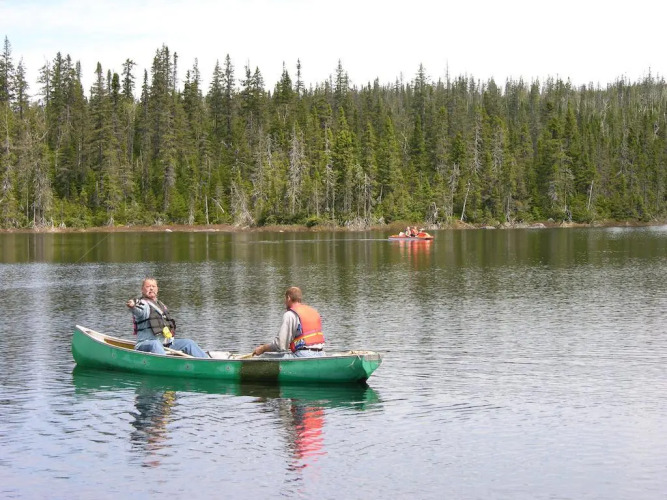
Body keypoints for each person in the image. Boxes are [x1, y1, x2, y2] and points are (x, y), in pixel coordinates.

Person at [126, 277, 209, 358]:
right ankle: (165, 364)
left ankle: (207, 361)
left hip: (165, 344)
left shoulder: (161, 305)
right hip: (146, 344)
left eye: (153, 286)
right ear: (142, 289)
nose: (151, 288)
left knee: (188, 343)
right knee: (155, 344)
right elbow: (138, 309)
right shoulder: (143, 305)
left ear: (157, 289)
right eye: (148, 286)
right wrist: (133, 306)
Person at [252, 287, 325, 357]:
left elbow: (280, 345)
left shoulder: (290, 314)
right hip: (321, 354)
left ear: (288, 298)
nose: (285, 302)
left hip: (303, 355)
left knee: (265, 356)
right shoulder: (314, 312)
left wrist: (263, 349)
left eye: (285, 299)